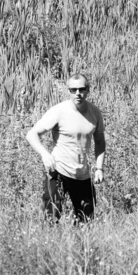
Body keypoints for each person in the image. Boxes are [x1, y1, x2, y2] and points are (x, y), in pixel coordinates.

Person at [26, 73, 106, 222]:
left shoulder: (95, 113)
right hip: (58, 172)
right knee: (52, 218)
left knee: (87, 221)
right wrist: (45, 154)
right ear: (68, 90)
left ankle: (83, 245)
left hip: (82, 174)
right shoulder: (59, 111)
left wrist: (99, 168)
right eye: (73, 90)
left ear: (88, 90)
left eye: (81, 89)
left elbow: (100, 141)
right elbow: (32, 134)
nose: (77, 93)